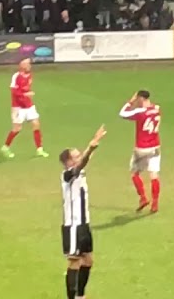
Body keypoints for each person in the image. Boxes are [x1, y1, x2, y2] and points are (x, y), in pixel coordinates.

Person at [60, 125, 107, 299]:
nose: (79, 157)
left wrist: (94, 142)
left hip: (84, 223)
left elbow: (85, 160)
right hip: (73, 225)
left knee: (88, 260)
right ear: (68, 162)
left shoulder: (79, 170)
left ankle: (80, 295)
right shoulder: (67, 175)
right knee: (74, 261)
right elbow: (84, 161)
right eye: (76, 156)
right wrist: (91, 147)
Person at [118, 90, 162, 213]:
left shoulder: (140, 112)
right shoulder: (157, 108)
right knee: (154, 175)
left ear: (141, 99)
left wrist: (130, 102)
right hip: (155, 146)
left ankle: (143, 198)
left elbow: (122, 114)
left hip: (142, 148)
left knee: (134, 173)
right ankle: (155, 204)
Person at [2, 58, 48, 158]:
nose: (30, 65)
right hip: (18, 107)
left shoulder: (30, 75)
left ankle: (39, 149)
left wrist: (27, 96)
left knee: (36, 124)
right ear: (22, 65)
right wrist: (25, 94)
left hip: (29, 106)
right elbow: (14, 92)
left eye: (29, 63)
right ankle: (6, 147)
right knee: (17, 129)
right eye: (27, 64)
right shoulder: (16, 76)